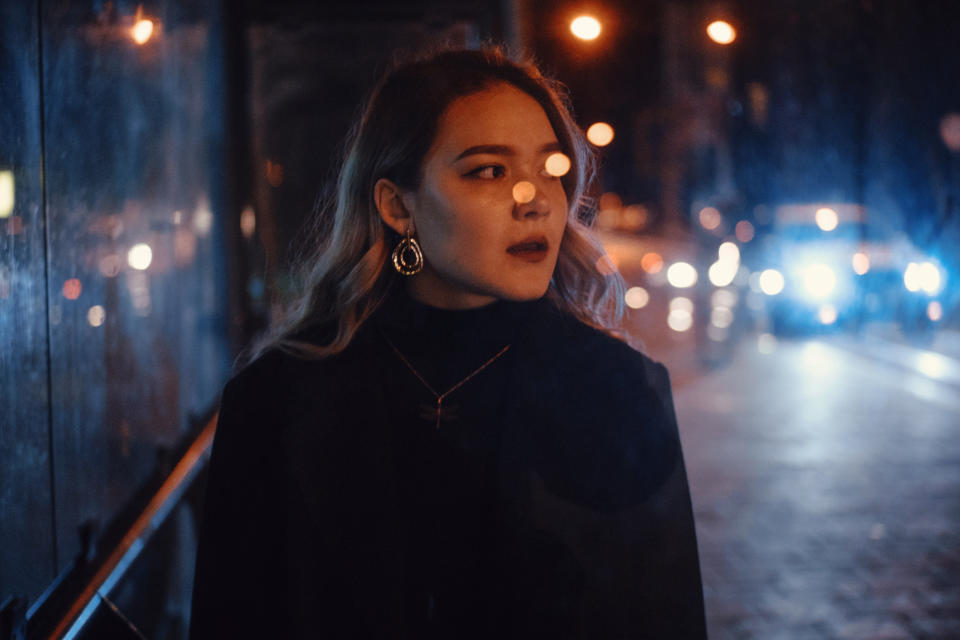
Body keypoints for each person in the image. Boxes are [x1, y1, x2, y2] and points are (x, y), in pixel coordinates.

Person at [189, 45, 706, 639]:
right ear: (396, 205)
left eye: (550, 168)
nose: (533, 197)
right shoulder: (278, 398)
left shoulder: (619, 392)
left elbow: (667, 619)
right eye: (489, 170)